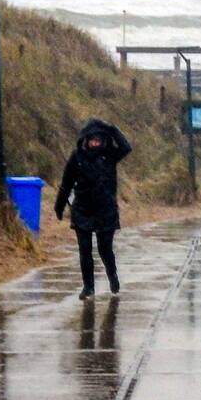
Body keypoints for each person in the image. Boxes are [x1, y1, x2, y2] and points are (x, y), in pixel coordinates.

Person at [55, 119, 132, 300]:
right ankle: (88, 286)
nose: (95, 143)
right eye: (92, 140)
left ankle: (112, 276)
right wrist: (59, 206)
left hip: (106, 209)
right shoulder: (77, 157)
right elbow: (66, 184)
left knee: (105, 248)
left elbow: (126, 147)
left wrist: (112, 128)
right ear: (86, 140)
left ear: (104, 141)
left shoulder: (110, 155)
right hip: (83, 209)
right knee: (85, 249)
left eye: (99, 140)